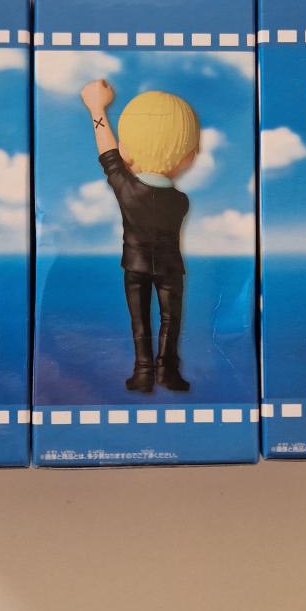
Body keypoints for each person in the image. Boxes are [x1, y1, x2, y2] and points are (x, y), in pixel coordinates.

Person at [79, 80, 198, 393]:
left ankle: (143, 372)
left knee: (140, 320)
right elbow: (113, 158)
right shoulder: (180, 201)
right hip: (171, 268)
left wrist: (96, 108)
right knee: (171, 320)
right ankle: (167, 370)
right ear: (188, 156)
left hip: (135, 265)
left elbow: (108, 156)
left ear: (126, 151)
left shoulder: (127, 189)